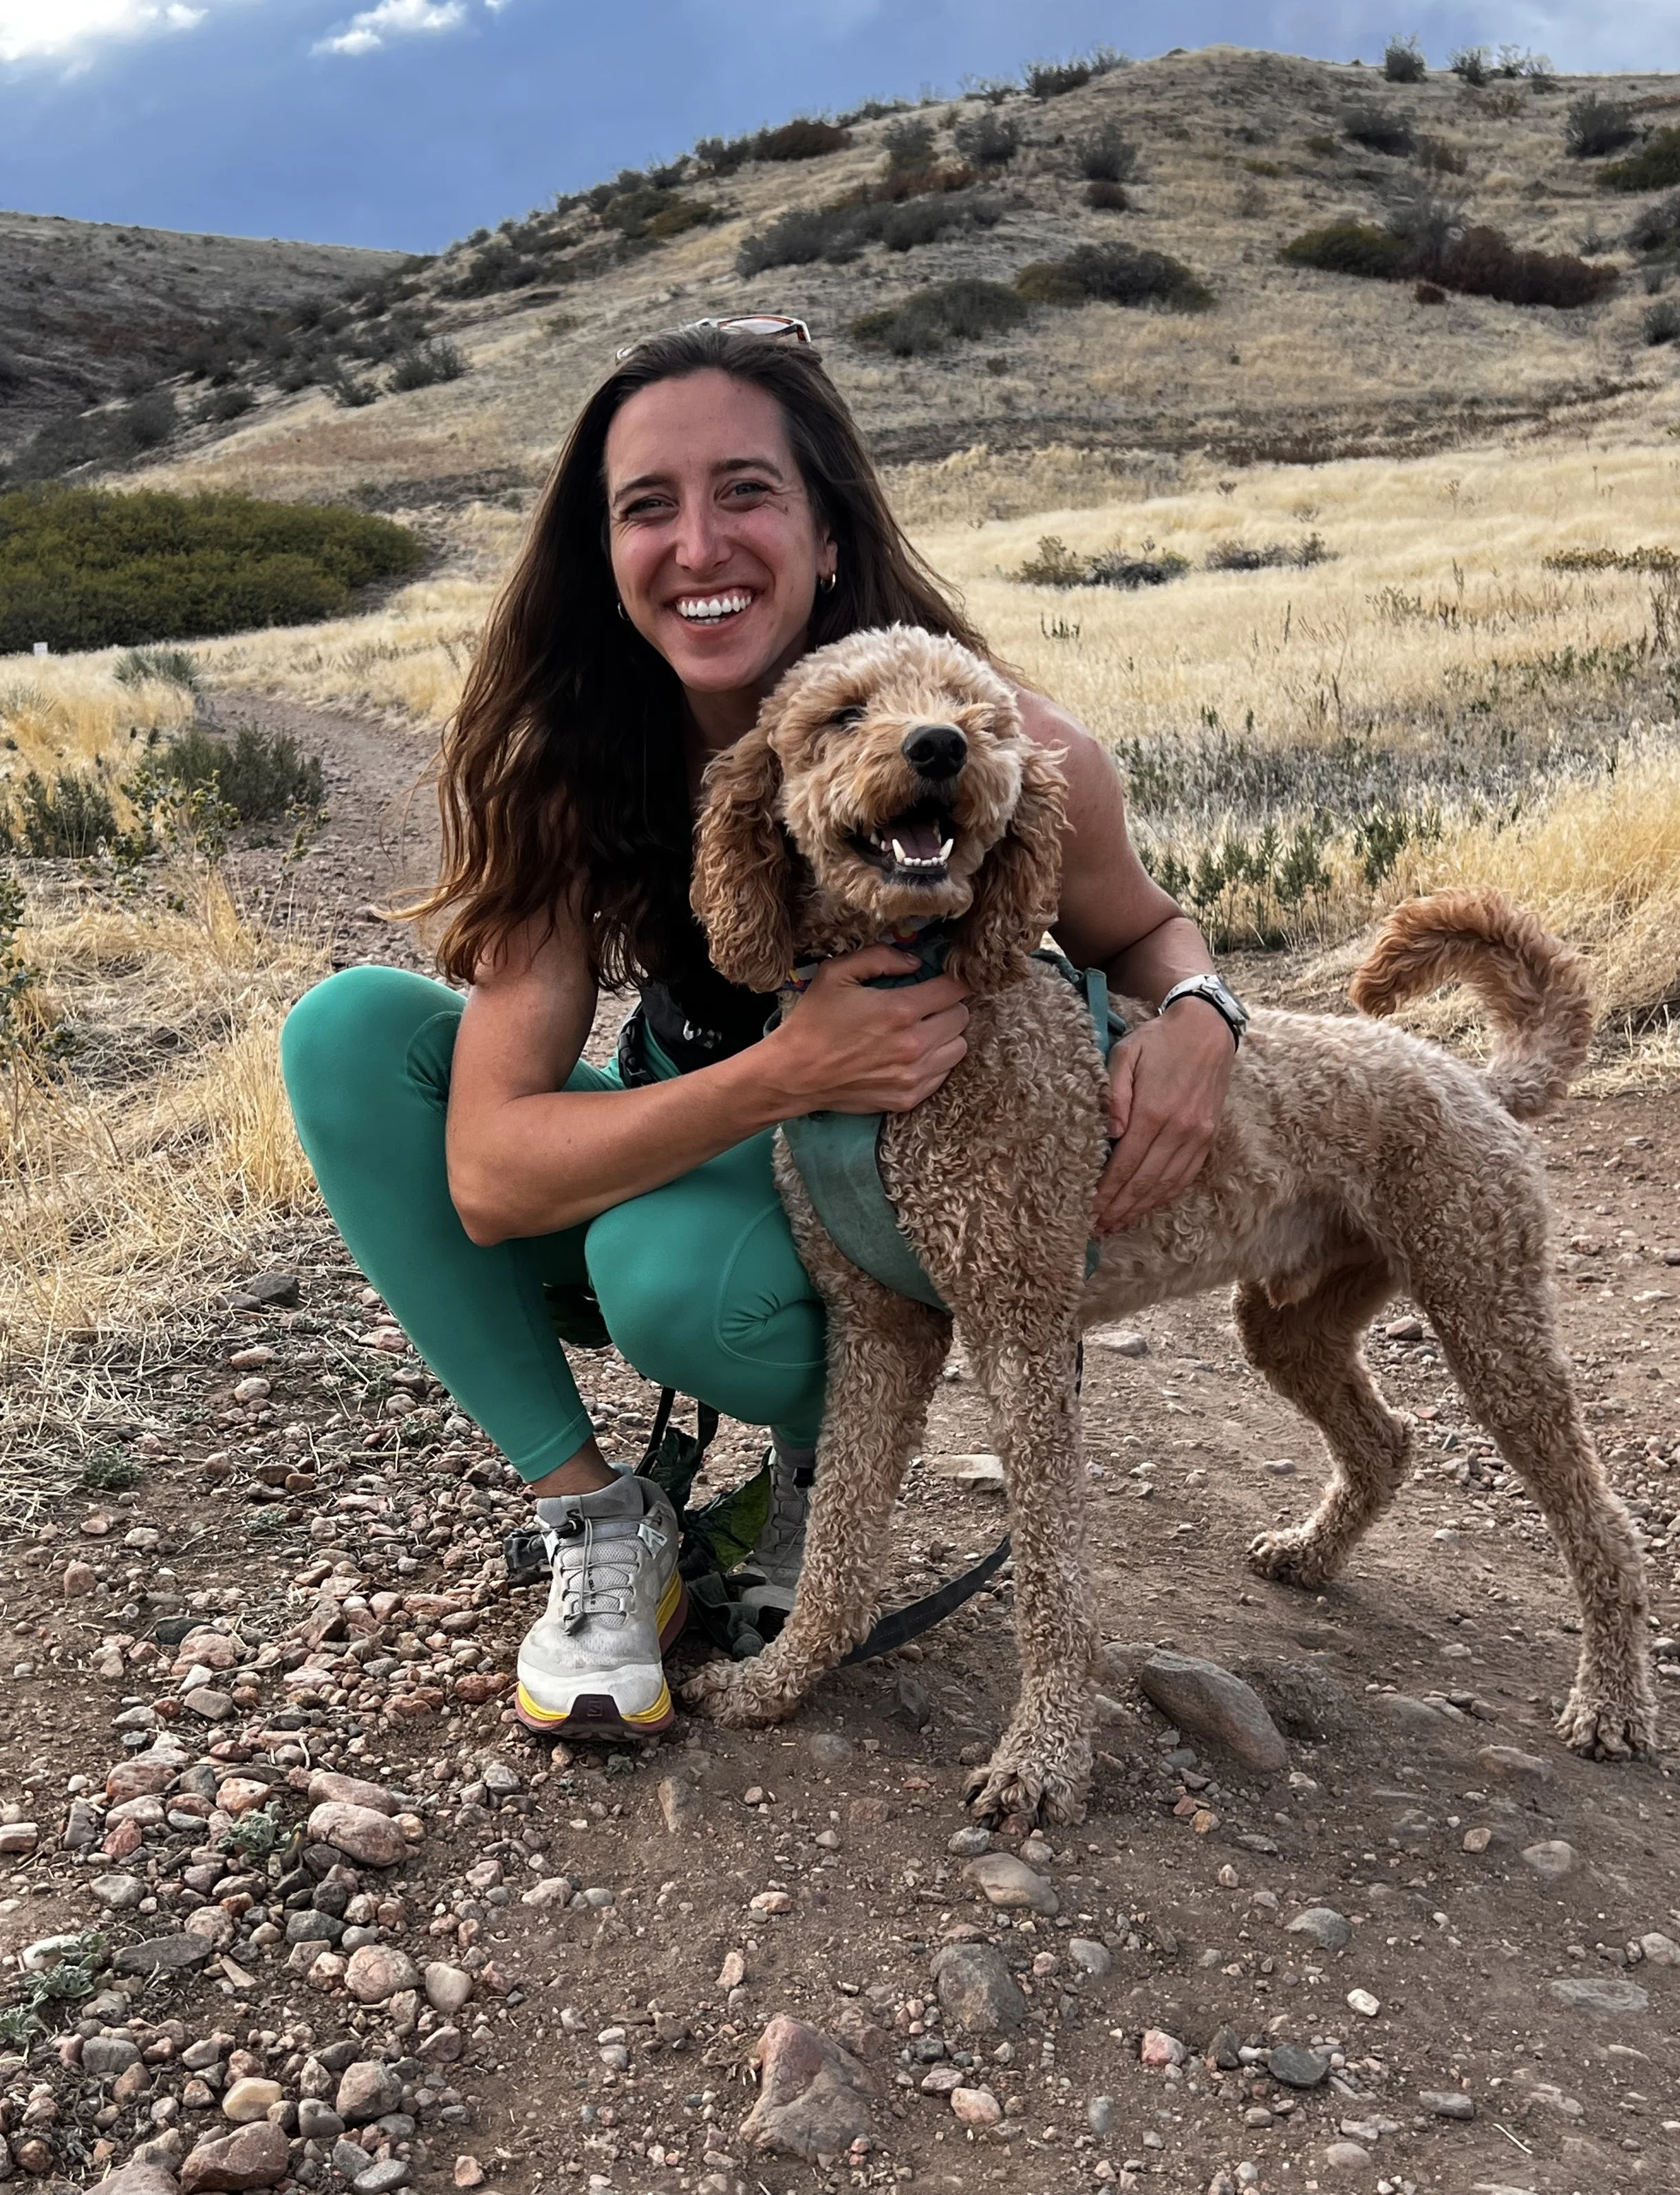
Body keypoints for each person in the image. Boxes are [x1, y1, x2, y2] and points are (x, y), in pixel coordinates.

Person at [281, 314, 1241, 1742]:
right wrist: (783, 1070)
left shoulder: (1007, 750)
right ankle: (600, 1524)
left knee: (667, 1275)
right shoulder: (578, 770)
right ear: (604, 560)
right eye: (646, 507)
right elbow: (488, 1176)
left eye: (745, 491)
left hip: (894, 1190)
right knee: (351, 1031)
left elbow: (1146, 930)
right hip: (744, 1124)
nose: (699, 545)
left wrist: (1197, 1016)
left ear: (828, 533)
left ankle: (816, 1470)